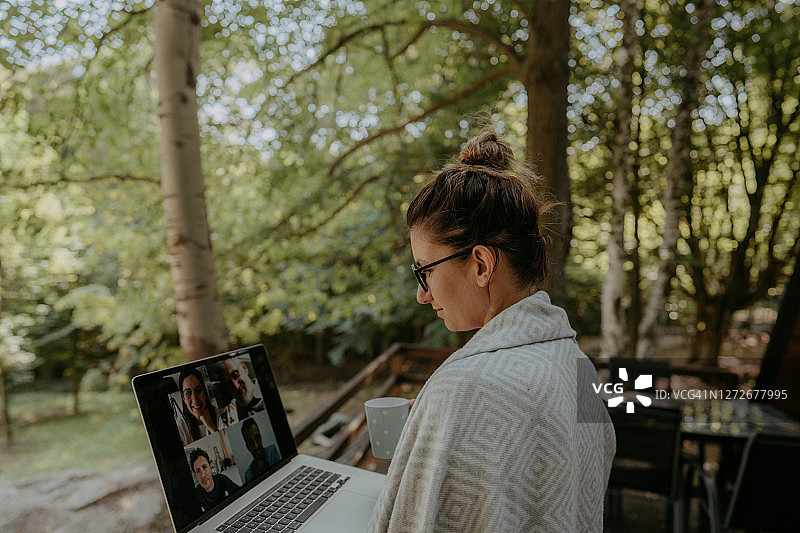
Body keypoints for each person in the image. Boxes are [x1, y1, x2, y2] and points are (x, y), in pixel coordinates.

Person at [366, 131, 616, 533]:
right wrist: (436, 424)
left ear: (481, 265)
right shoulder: (577, 364)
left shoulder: (464, 388)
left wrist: (447, 415)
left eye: (425, 270)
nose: (421, 294)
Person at [179, 368, 231, 442]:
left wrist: (212, 428)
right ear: (183, 398)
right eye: (188, 393)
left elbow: (228, 444)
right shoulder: (180, 426)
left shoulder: (217, 413)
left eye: (198, 391)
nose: (194, 400)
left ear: (205, 392)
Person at [240, 418, 282, 483]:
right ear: (247, 446)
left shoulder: (273, 451)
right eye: (251, 442)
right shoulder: (248, 475)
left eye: (257, 438)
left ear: (261, 437)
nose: (256, 446)